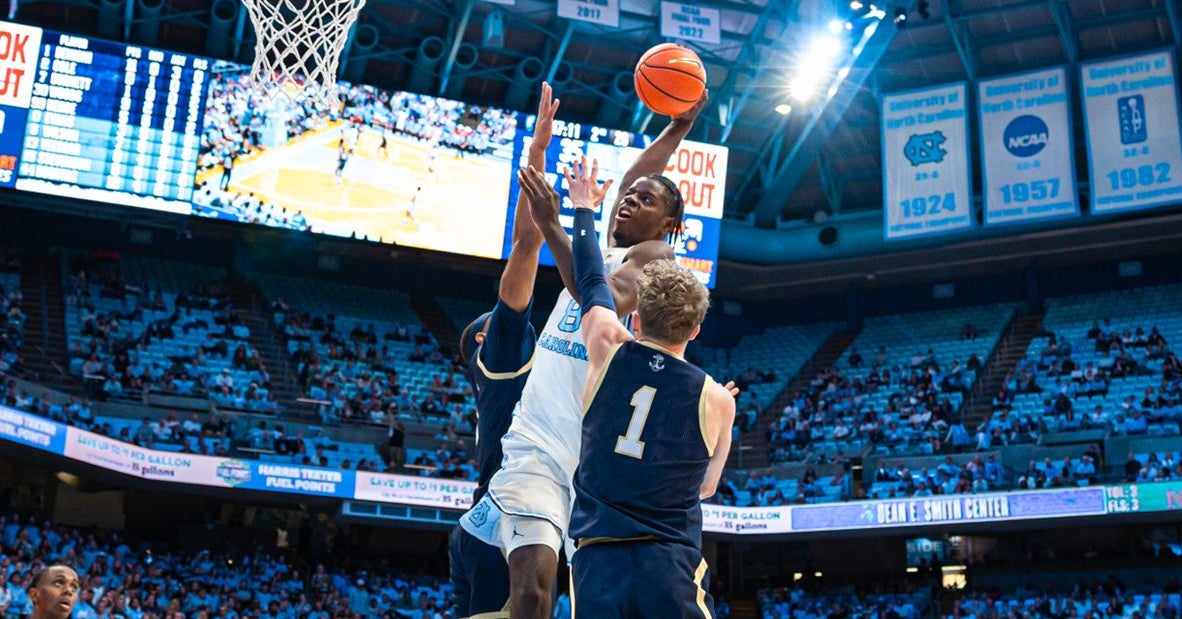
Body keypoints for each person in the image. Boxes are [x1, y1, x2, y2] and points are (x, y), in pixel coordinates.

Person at [460, 89, 708, 619]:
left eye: (645, 201)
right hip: (538, 441)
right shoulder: (603, 242)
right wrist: (678, 127)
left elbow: (601, 295)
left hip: (597, 464)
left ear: (667, 225)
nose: (630, 200)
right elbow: (635, 177)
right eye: (628, 195)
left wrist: (560, 219)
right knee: (531, 592)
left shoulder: (655, 259)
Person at [560, 158, 735, 617]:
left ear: (636, 318)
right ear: (695, 330)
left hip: (599, 557)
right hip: (669, 562)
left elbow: (591, 279)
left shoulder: (606, 346)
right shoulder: (717, 399)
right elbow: (706, 487)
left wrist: (583, 209)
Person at [449, 82, 560, 619]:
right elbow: (526, 245)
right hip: (506, 521)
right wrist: (536, 155)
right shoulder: (502, 361)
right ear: (482, 341)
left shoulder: (522, 370)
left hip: (485, 522)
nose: (509, 320)